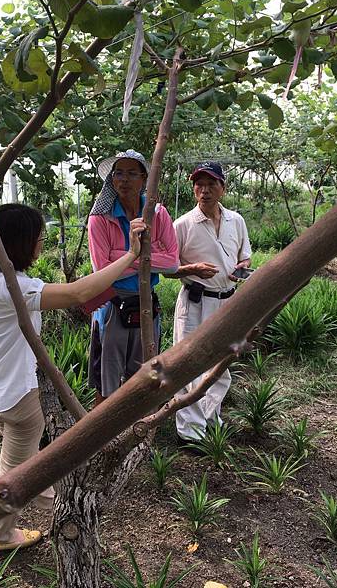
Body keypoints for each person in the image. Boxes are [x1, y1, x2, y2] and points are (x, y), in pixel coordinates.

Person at [0, 203, 145, 554]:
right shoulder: (11, 287)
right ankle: (1, 534)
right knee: (15, 471)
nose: (41, 244)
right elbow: (77, 293)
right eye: (38, 238)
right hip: (15, 396)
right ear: (20, 243)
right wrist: (130, 256)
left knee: (18, 455)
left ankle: (42, 496)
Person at [87, 149, 179, 404]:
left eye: (131, 173)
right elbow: (101, 270)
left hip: (147, 303)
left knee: (144, 372)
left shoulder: (158, 214)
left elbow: (172, 263)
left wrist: (126, 256)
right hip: (112, 303)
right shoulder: (100, 218)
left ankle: (136, 431)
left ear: (144, 179)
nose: (123, 180)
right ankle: (102, 433)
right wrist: (145, 256)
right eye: (118, 173)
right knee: (106, 377)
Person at [171, 162, 252, 444]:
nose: (204, 190)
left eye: (211, 184)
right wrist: (191, 269)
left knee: (219, 365)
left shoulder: (236, 221)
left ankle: (208, 419)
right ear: (194, 189)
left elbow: (245, 256)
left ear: (223, 188)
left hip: (226, 303)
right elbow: (168, 267)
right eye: (199, 184)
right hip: (194, 301)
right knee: (186, 364)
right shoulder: (182, 225)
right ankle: (189, 433)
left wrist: (241, 268)